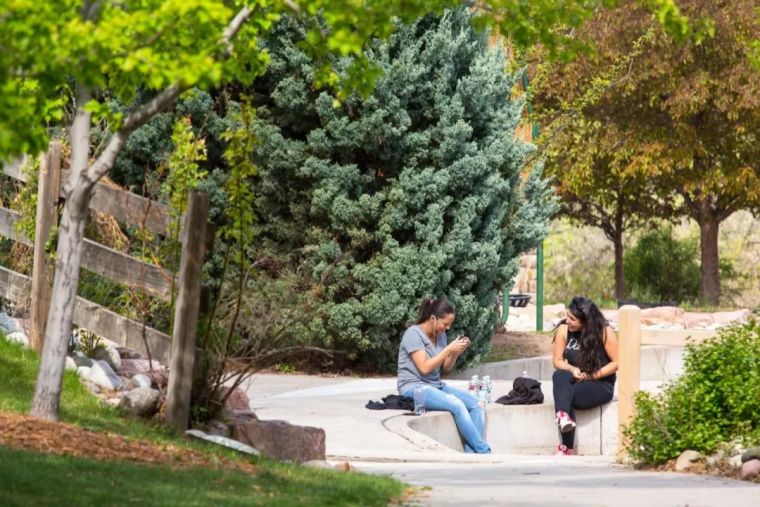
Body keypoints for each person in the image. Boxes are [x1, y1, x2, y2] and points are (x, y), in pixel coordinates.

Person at [397, 297, 491, 454]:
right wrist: (447, 350)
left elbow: (446, 368)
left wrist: (455, 353)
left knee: (477, 405)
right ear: (433, 318)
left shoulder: (440, 335)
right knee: (458, 405)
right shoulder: (413, 334)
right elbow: (424, 368)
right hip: (414, 387)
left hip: (435, 385)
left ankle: (470, 454)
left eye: (450, 325)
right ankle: (484, 451)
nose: (447, 328)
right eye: (445, 324)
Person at [551, 296, 619, 456]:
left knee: (565, 395)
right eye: (567, 315)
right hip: (576, 378)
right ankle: (563, 416)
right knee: (559, 375)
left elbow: (617, 363)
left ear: (585, 322)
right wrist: (572, 369)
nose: (567, 321)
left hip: (600, 383)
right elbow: (557, 360)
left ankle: (566, 447)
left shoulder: (604, 332)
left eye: (572, 319)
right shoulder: (563, 329)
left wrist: (591, 376)